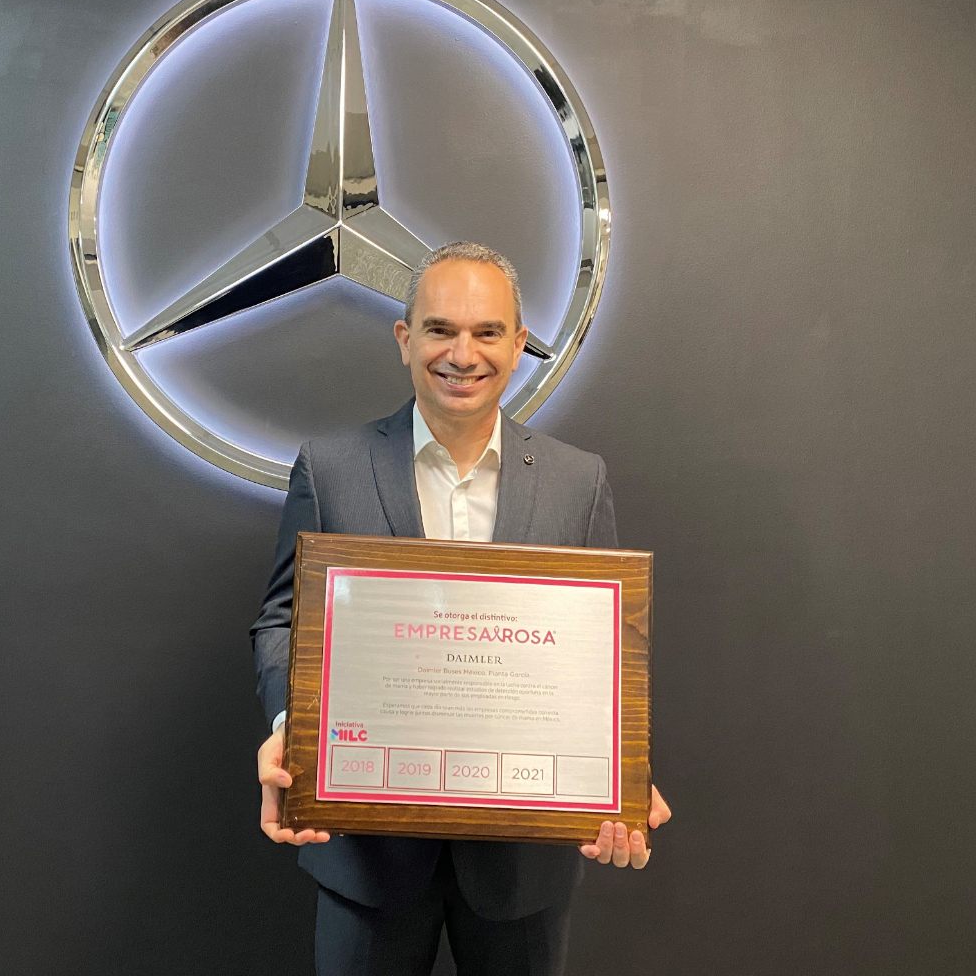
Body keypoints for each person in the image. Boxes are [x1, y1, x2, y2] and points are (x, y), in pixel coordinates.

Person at [251, 241, 671, 976]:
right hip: (367, 859)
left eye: (487, 332)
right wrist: (294, 730)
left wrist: (613, 775)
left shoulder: (578, 481)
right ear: (404, 339)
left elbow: (601, 652)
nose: (463, 354)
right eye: (440, 330)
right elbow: (282, 619)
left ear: (518, 343)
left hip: (522, 868)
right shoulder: (332, 467)